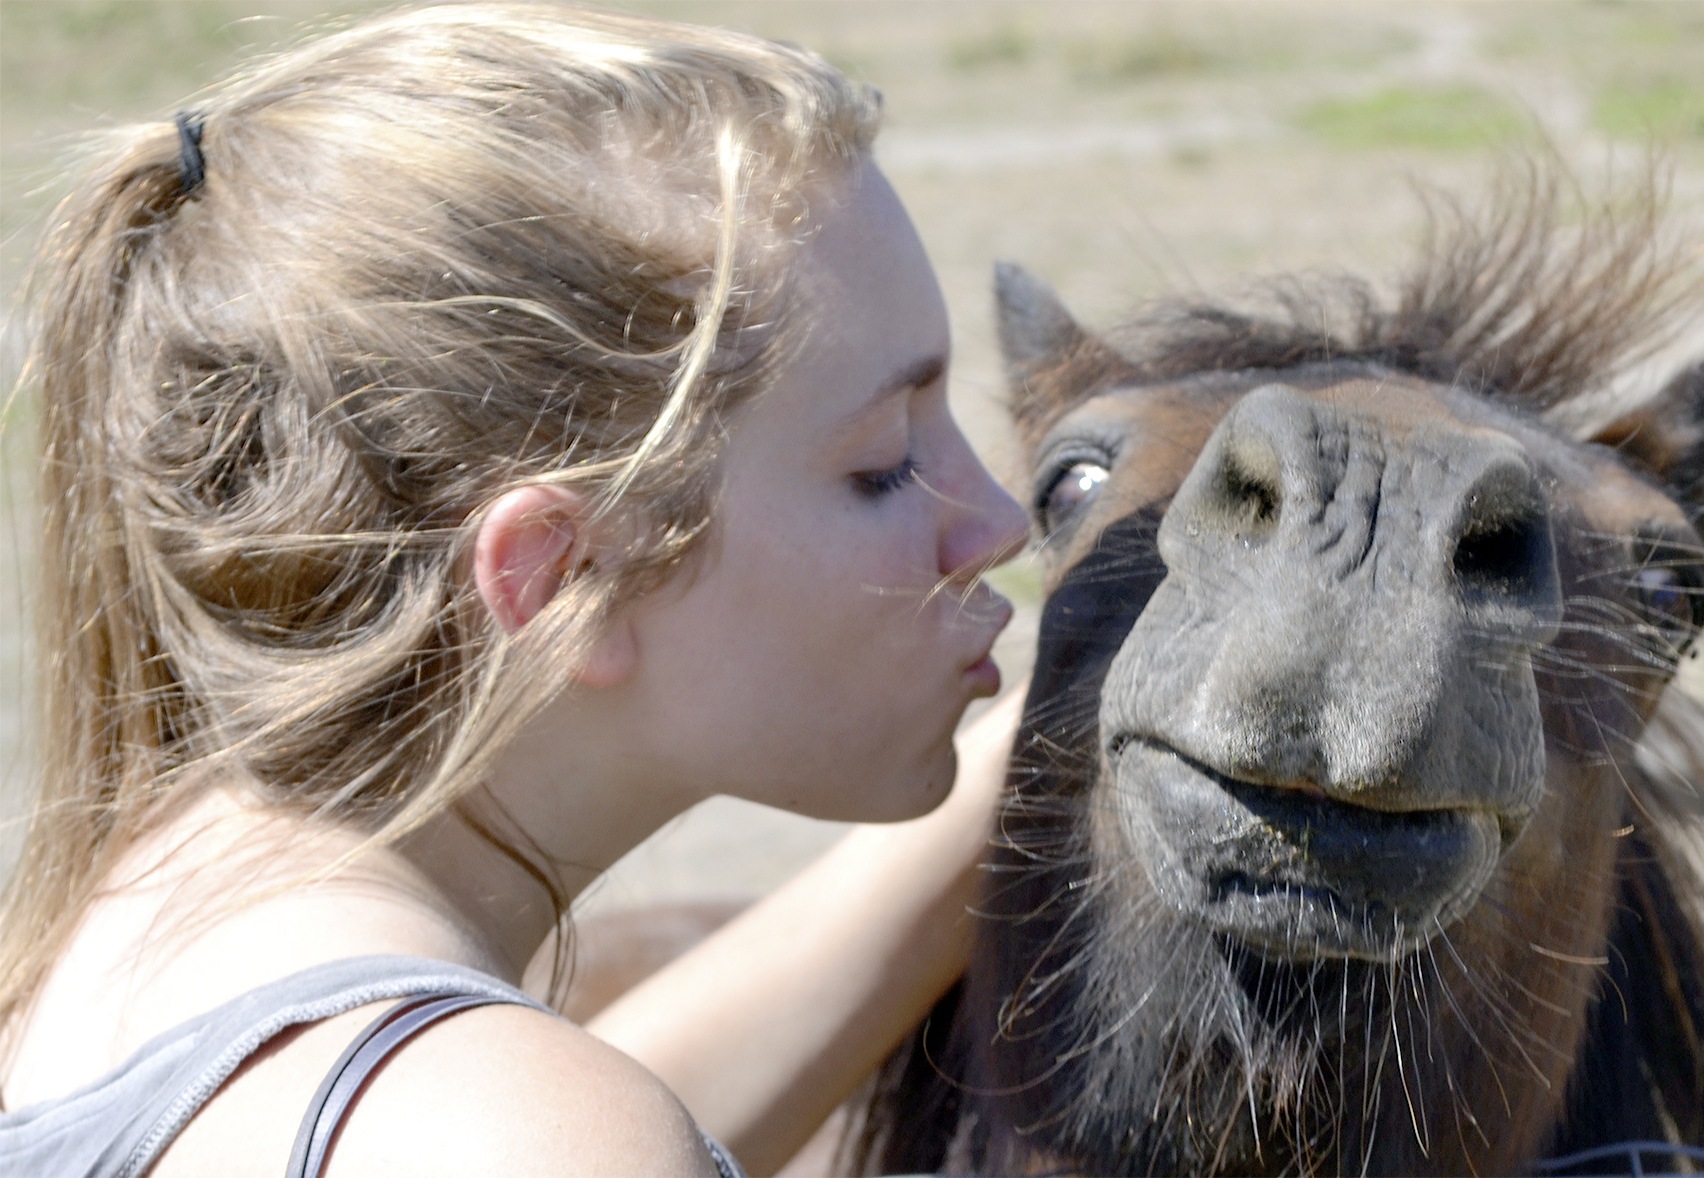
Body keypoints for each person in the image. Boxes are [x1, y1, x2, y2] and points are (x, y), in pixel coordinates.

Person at [0, 5, 1031, 1175]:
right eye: (884, 462)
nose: (998, 523)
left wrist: (1014, 780)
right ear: (560, 577)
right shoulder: (529, 1132)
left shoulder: (125, 970)